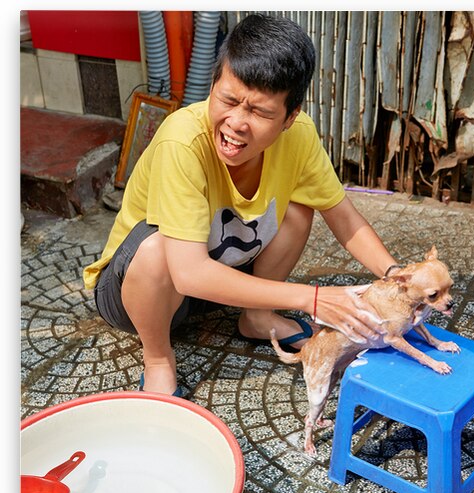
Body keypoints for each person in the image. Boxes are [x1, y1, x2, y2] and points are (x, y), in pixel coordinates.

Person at [83, 14, 399, 395]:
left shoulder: (299, 136)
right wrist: (312, 298)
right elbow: (187, 274)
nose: (236, 123)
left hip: (211, 283)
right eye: (228, 100)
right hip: (138, 291)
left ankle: (257, 317)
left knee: (301, 208)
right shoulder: (181, 141)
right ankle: (158, 359)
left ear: (289, 117)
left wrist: (399, 279)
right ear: (213, 85)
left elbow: (344, 218)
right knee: (154, 249)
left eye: (260, 112)